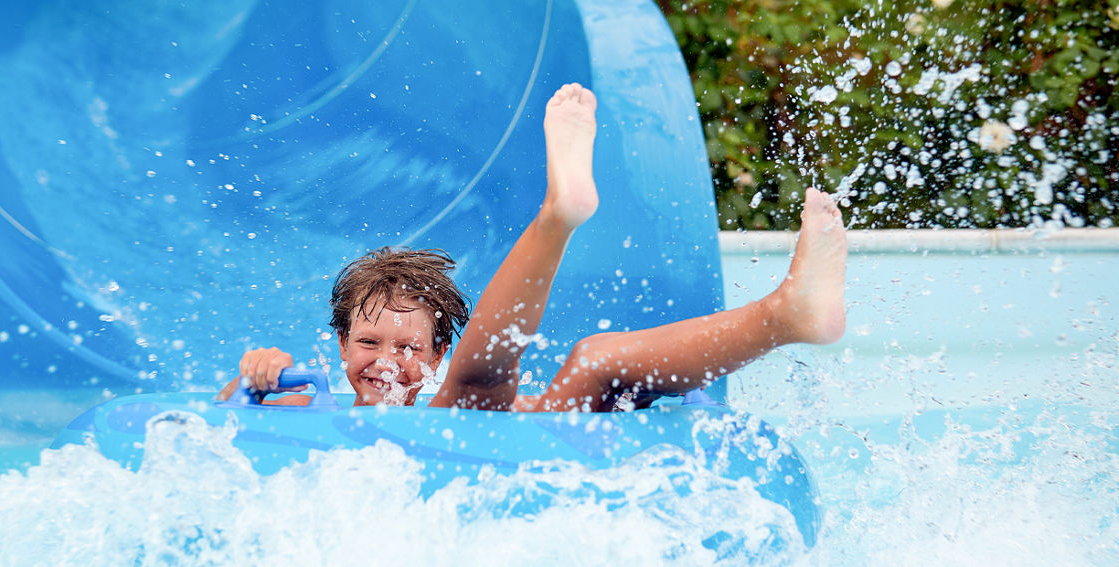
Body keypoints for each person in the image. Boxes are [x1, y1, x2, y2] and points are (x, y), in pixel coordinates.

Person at [217, 83, 847, 412]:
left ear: (438, 353)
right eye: (369, 342)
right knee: (516, 376)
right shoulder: (311, 401)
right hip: (467, 417)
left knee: (581, 363)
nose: (386, 361)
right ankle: (785, 314)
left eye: (410, 347)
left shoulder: (450, 396)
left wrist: (531, 410)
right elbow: (224, 417)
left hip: (476, 426)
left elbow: (500, 399)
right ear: (340, 345)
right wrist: (256, 373)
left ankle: (784, 313)